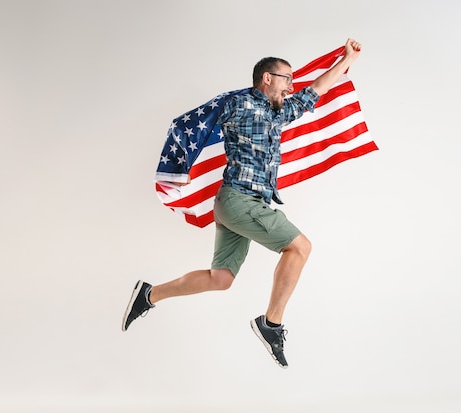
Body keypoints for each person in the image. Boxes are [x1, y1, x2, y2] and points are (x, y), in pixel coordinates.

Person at [122, 38, 362, 368]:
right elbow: (189, 123)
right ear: (267, 77)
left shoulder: (280, 111)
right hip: (239, 201)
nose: (292, 85)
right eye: (287, 78)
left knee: (220, 278)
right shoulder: (237, 104)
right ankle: (271, 324)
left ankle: (149, 294)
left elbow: (316, 89)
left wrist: (347, 59)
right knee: (300, 247)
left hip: (236, 203)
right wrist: (177, 168)